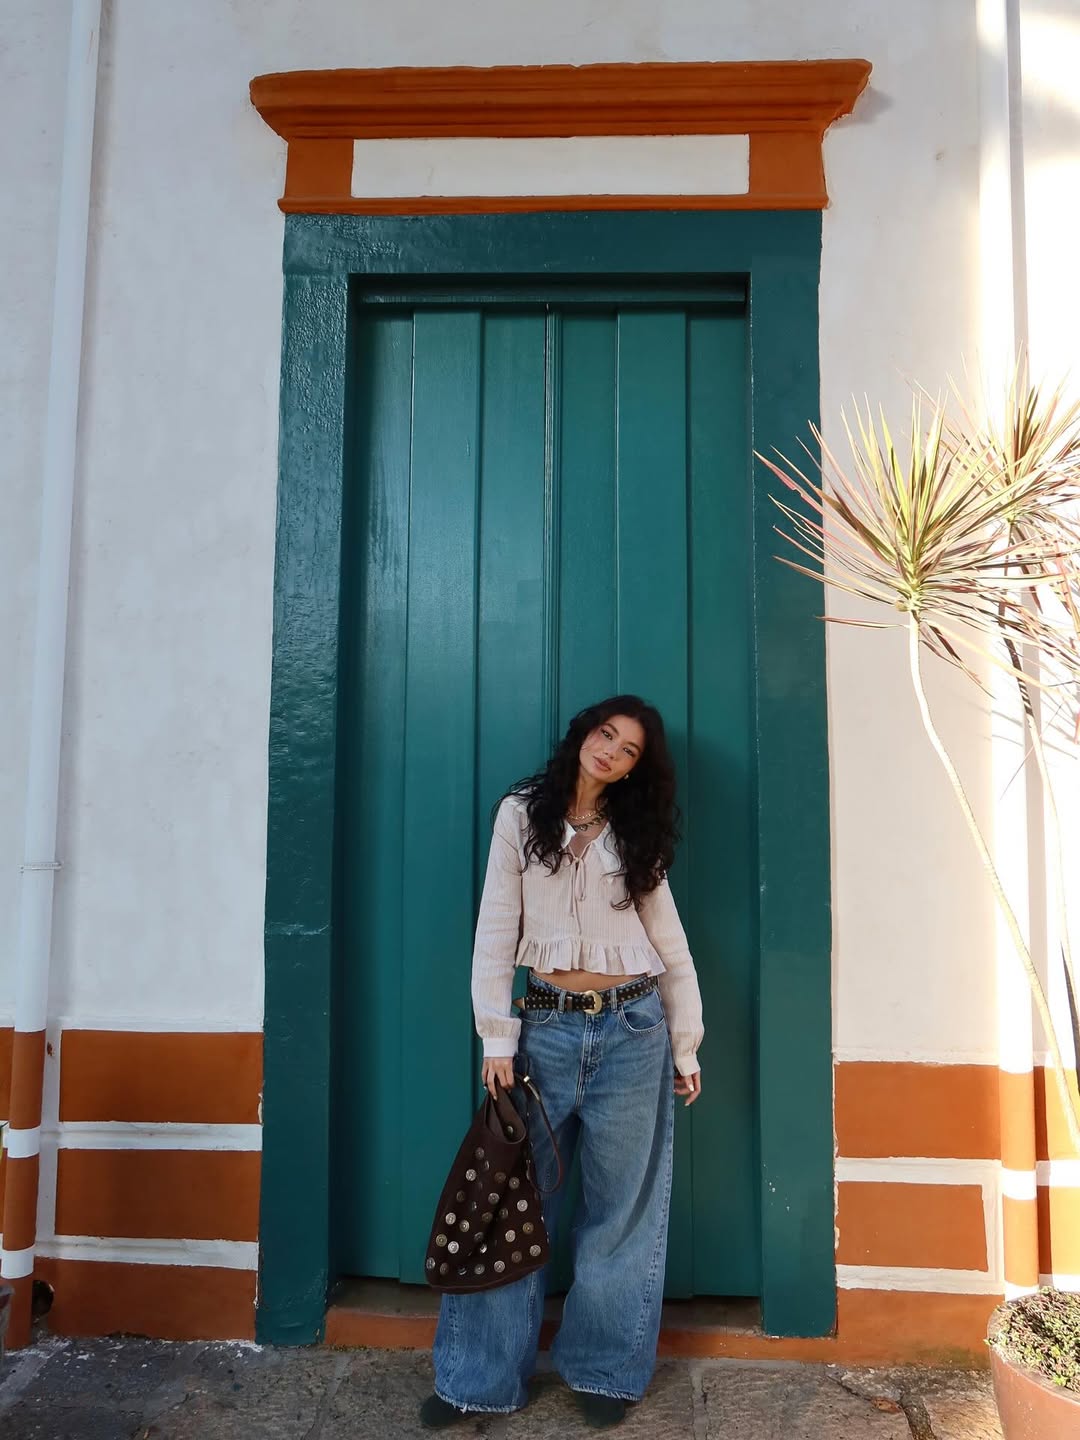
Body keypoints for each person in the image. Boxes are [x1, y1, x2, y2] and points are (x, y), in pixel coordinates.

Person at [420, 695, 705, 1431]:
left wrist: (685, 1041)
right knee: (509, 1206)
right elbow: (494, 928)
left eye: (629, 749)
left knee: (623, 1214)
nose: (609, 750)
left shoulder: (635, 834)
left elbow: (668, 945)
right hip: (542, 1030)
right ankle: (476, 1380)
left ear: (638, 768)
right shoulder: (522, 813)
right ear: (583, 735)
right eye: (604, 734)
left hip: (634, 1031)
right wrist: (496, 1037)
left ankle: (606, 1371)